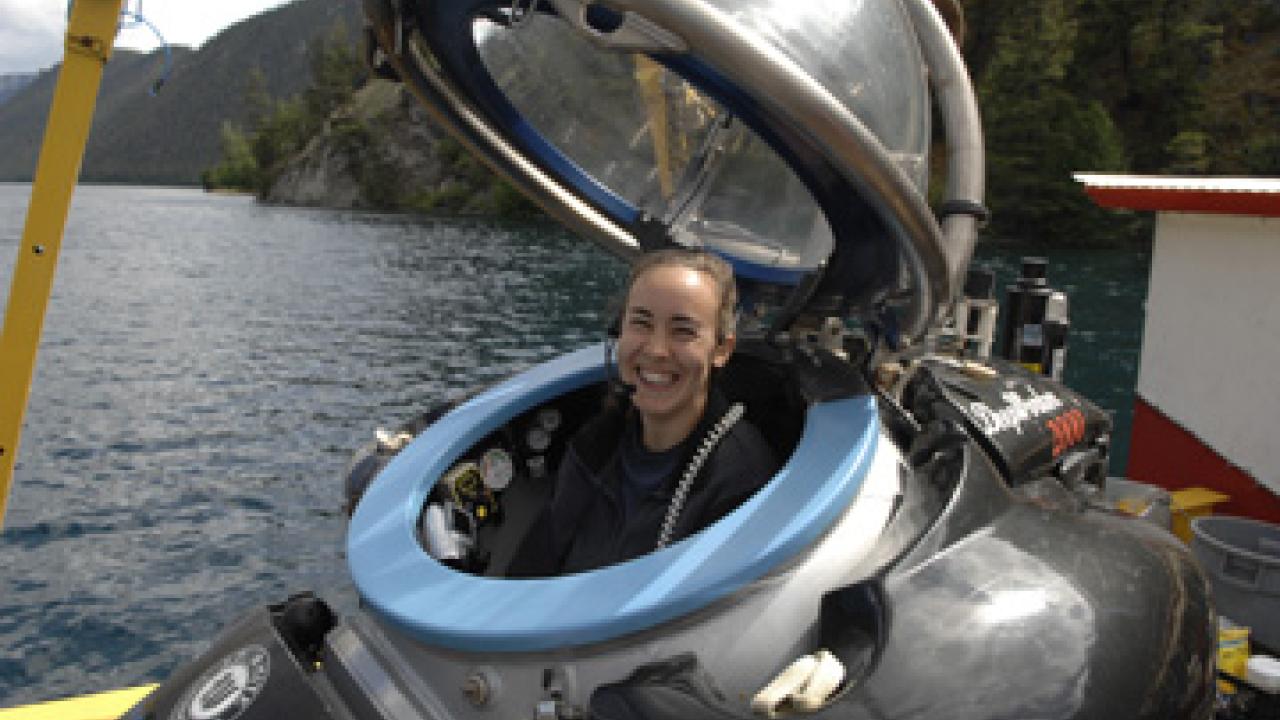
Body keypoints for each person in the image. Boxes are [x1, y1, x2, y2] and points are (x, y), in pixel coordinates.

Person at [508, 249, 780, 576]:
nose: (655, 350)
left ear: (721, 349)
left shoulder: (740, 481)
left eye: (683, 331)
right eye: (641, 323)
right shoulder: (596, 443)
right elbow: (533, 565)